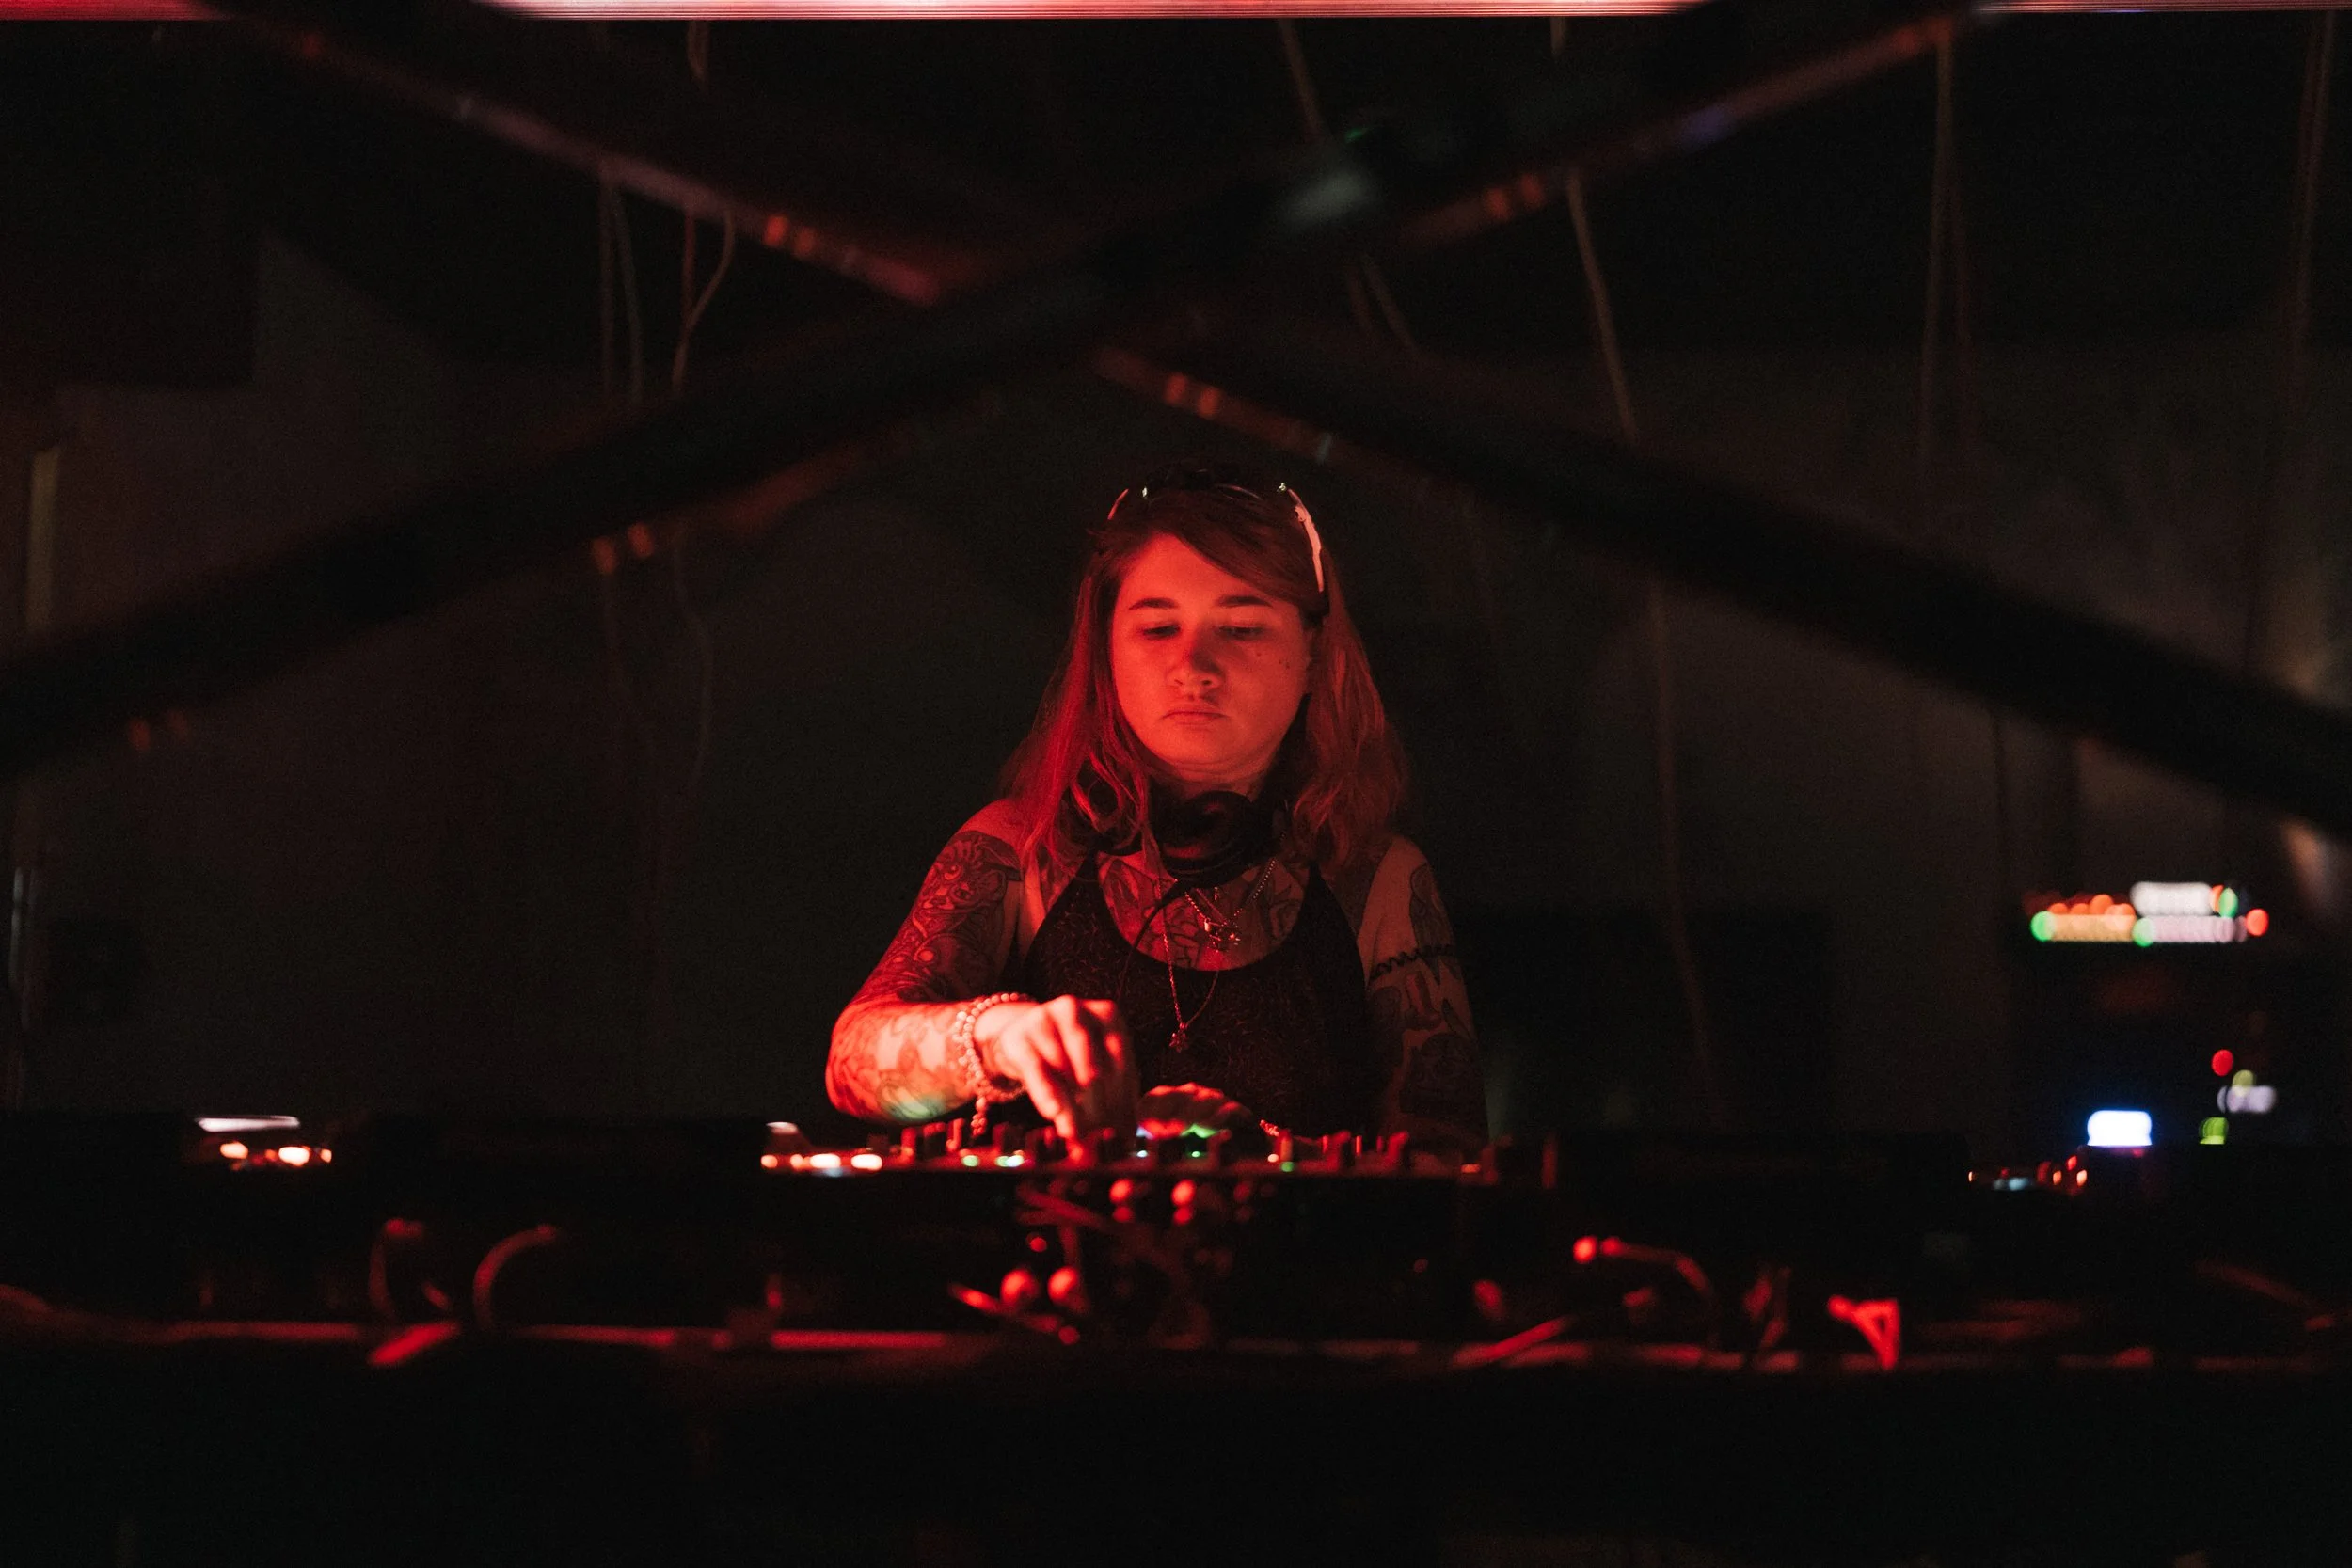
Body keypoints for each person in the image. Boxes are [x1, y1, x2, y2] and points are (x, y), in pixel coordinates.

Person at [825, 461, 1485, 1153]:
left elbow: (1449, 1157)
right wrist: (996, 1035)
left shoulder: (1378, 881)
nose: (1193, 664)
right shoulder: (1020, 849)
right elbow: (851, 1063)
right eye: (1158, 627)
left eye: (1242, 628)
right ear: (1106, 648)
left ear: (1314, 653)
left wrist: (1250, 1151)